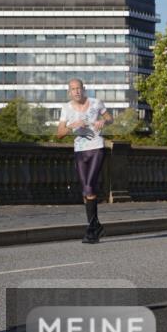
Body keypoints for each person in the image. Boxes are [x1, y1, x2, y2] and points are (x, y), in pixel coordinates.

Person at [56, 78, 114, 244]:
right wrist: (72, 125)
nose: (76, 91)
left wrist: (104, 121)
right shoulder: (66, 108)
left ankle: (91, 230)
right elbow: (59, 134)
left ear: (84, 89)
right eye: (73, 89)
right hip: (79, 151)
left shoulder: (96, 103)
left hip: (96, 147)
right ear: (69, 92)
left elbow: (110, 118)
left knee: (89, 187)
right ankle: (96, 227)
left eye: (78, 88)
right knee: (86, 191)